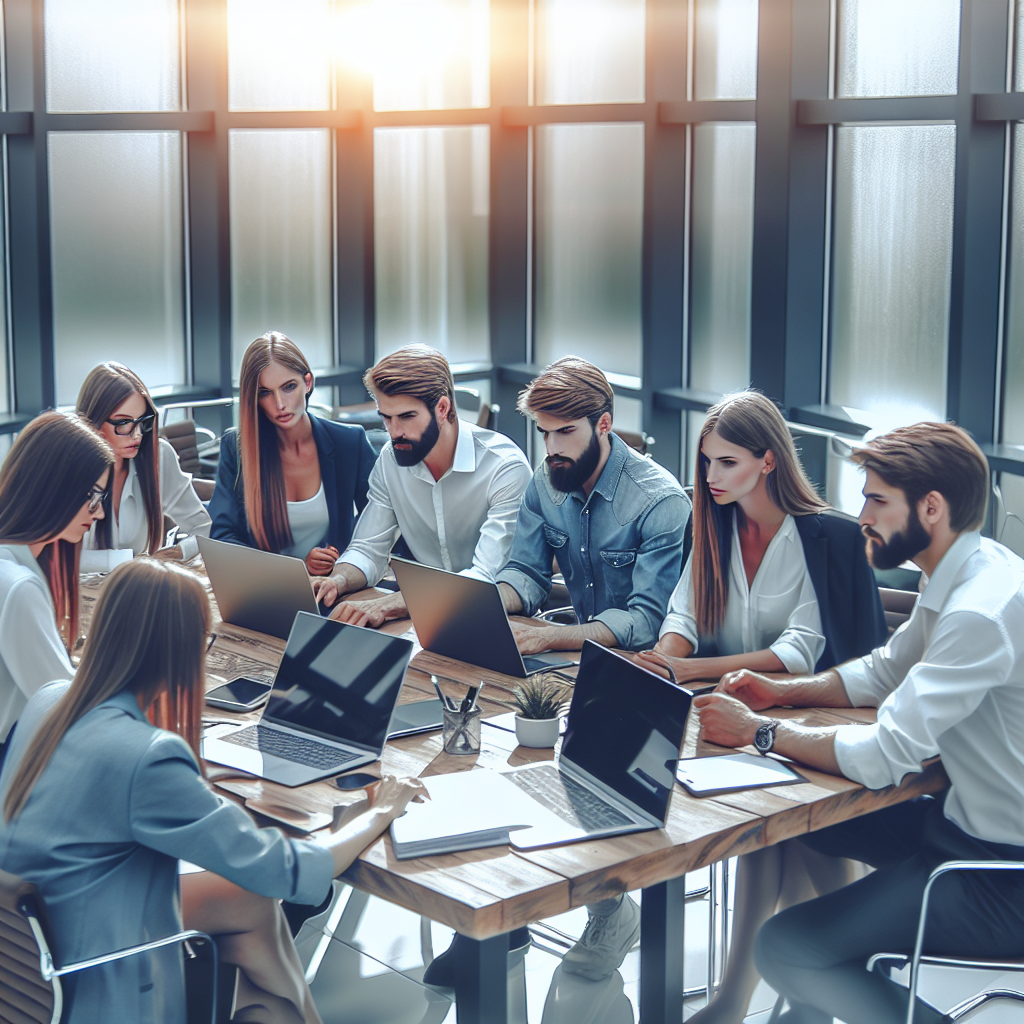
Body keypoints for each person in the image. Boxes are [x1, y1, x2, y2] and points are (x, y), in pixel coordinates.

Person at [0, 558, 427, 1024]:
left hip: (32, 956)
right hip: (99, 976)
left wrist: (197, 785)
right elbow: (286, 871)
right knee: (260, 900)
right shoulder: (147, 757)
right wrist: (380, 812)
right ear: (180, 648)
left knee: (250, 907)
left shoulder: (48, 699)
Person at [695, 422, 1024, 1024]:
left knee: (787, 947)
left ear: (931, 507)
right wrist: (781, 690)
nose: (862, 515)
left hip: (1001, 874)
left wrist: (756, 732)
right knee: (800, 824)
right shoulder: (965, 569)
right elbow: (883, 671)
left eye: (876, 500)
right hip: (958, 825)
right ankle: (825, 997)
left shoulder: (978, 612)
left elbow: (883, 754)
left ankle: (828, 980)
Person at [425, 358, 690, 987]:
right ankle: (495, 919)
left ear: (605, 424)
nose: (551, 448)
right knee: (477, 748)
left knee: (571, 772)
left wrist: (550, 634)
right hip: (570, 659)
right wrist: (486, 606)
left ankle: (610, 912)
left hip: (639, 673)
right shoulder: (547, 483)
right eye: (543, 433)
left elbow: (645, 620)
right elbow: (525, 572)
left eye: (565, 432)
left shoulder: (660, 501)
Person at [633, 390, 887, 1024]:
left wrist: (688, 670)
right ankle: (802, 989)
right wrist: (664, 658)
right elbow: (684, 615)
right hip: (730, 722)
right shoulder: (714, 524)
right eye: (707, 462)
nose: (711, 477)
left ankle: (758, 994)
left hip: (810, 718)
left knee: (781, 833)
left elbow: (801, 649)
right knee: (767, 832)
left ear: (768, 460)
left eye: (727, 463)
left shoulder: (824, 537)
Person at [314, 345, 531, 624]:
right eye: (386, 417)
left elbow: (483, 579)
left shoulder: (504, 467)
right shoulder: (391, 460)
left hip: (494, 620)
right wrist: (337, 580)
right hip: (424, 620)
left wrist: (393, 603)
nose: (394, 432)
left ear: (442, 408)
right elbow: (367, 549)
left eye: (406, 417)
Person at [209, 332, 377, 575]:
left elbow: (377, 524)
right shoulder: (236, 448)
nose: (279, 404)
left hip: (334, 586)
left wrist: (344, 559)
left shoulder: (349, 441)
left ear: (307, 383)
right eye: (264, 392)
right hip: (265, 586)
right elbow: (223, 537)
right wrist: (297, 567)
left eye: (289, 387)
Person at [0, 411, 113, 750]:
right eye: (94, 496)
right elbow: (70, 713)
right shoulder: (18, 587)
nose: (99, 512)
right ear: (56, 487)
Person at [76, 361, 211, 571]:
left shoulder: (159, 456)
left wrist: (180, 551)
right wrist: (129, 561)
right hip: (79, 589)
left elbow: (203, 527)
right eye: (124, 423)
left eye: (142, 421)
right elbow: (54, 555)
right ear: (93, 422)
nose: (137, 434)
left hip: (138, 586)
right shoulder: (67, 466)